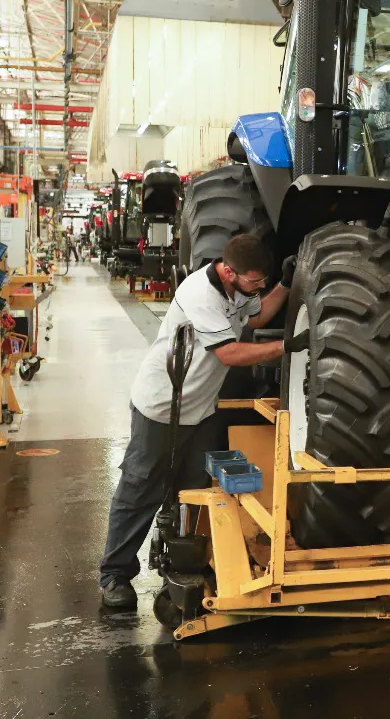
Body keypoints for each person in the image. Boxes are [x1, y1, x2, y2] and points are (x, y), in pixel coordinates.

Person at [99, 234, 300, 609]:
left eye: (262, 282)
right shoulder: (199, 294)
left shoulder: (238, 289)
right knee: (140, 489)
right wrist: (286, 346)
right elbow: (230, 353)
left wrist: (285, 285)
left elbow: (256, 316)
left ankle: (177, 568)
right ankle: (114, 574)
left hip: (201, 409)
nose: (259, 288)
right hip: (162, 407)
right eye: (255, 282)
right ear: (228, 271)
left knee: (193, 490)